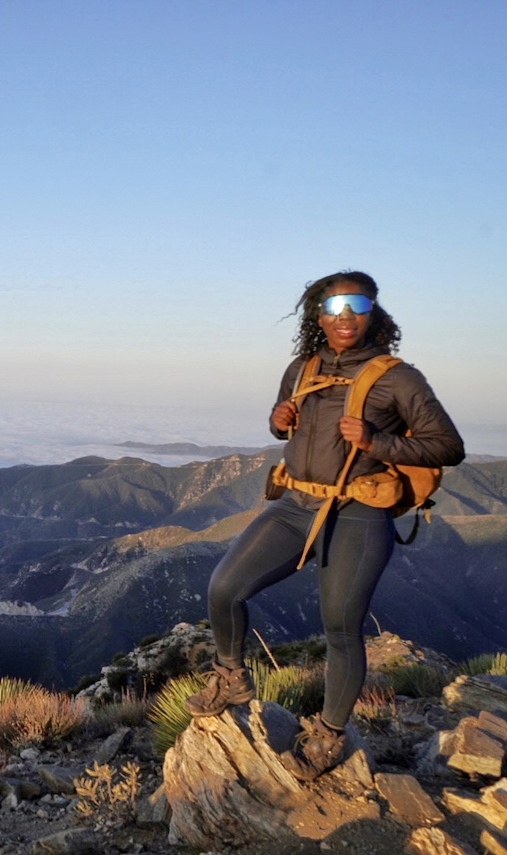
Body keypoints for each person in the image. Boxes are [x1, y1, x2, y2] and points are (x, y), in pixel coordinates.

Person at [183, 270, 465, 781]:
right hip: (295, 503)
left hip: (358, 511)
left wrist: (378, 442)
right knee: (224, 588)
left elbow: (448, 445)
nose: (346, 316)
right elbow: (283, 425)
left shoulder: (398, 378)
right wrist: (278, 418)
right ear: (319, 316)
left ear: (373, 311)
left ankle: (328, 736)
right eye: (334, 308)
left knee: (339, 626)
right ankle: (231, 678)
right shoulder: (302, 367)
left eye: (357, 304)